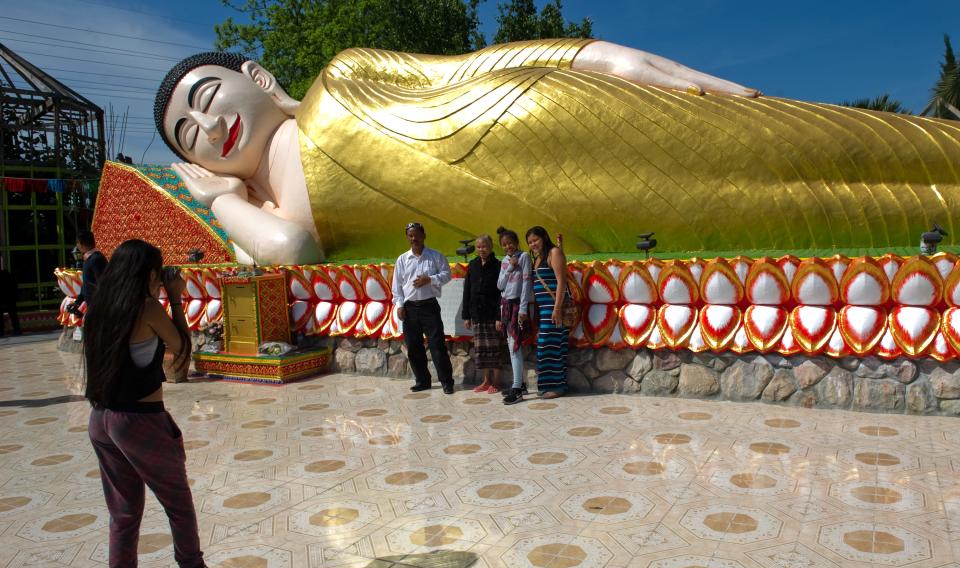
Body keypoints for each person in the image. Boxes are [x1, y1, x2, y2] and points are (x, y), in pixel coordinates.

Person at [154, 41, 960, 266]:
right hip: (573, 212)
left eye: (206, 97)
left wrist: (613, 59)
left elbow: (473, 69)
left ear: (255, 76)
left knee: (793, 138)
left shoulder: (342, 77)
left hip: (548, 119)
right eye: (188, 138)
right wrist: (225, 200)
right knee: (791, 210)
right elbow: (289, 249)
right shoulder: (273, 212)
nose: (207, 125)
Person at [82, 239, 223, 568]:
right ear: (148, 274)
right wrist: (176, 300)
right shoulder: (146, 308)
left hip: (101, 419)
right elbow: (181, 352)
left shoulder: (99, 310)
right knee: (177, 499)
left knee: (123, 512)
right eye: (158, 274)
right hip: (139, 420)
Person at [391, 222, 455, 395]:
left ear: (424, 235)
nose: (414, 238)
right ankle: (422, 381)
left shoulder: (435, 256)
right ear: (407, 238)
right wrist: (400, 305)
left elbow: (447, 275)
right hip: (410, 308)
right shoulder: (402, 259)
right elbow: (397, 286)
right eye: (411, 235)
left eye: (417, 235)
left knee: (437, 345)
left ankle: (447, 382)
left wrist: (430, 279)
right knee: (413, 347)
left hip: (429, 306)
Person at [527, 226, 569, 399]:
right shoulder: (537, 258)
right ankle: (550, 385)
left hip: (553, 309)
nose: (533, 244)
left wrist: (557, 308)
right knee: (551, 346)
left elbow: (562, 281)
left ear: (544, 237)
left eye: (535, 240)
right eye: (529, 242)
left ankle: (556, 386)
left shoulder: (554, 253)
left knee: (549, 347)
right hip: (544, 311)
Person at [462, 234, 503, 394]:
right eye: (478, 247)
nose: (481, 250)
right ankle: (486, 381)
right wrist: (466, 315)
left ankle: (497, 381)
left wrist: (499, 317)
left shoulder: (498, 266)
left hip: (492, 314)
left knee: (494, 349)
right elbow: (467, 291)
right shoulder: (473, 265)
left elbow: (502, 292)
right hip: (477, 313)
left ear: (491, 247)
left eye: (484, 246)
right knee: (481, 350)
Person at [496, 226, 532, 405]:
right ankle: (520, 384)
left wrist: (523, 309)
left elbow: (526, 284)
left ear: (516, 243)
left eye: (510, 243)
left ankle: (517, 388)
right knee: (511, 345)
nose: (508, 247)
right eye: (504, 244)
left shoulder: (524, 257)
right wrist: (510, 267)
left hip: (518, 305)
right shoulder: (505, 261)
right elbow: (500, 285)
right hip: (506, 306)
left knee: (515, 346)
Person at [71, 231, 108, 314]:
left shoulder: (96, 259)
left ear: (80, 243)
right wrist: (78, 302)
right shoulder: (90, 259)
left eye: (77, 243)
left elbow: (103, 284)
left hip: (98, 307)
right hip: (93, 306)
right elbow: (86, 284)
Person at [0, 262, 21, 337]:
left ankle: (1, 331)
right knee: (13, 314)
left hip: (4, 297)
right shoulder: (9, 275)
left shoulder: (6, 276)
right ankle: (17, 329)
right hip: (10, 298)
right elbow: (15, 287)